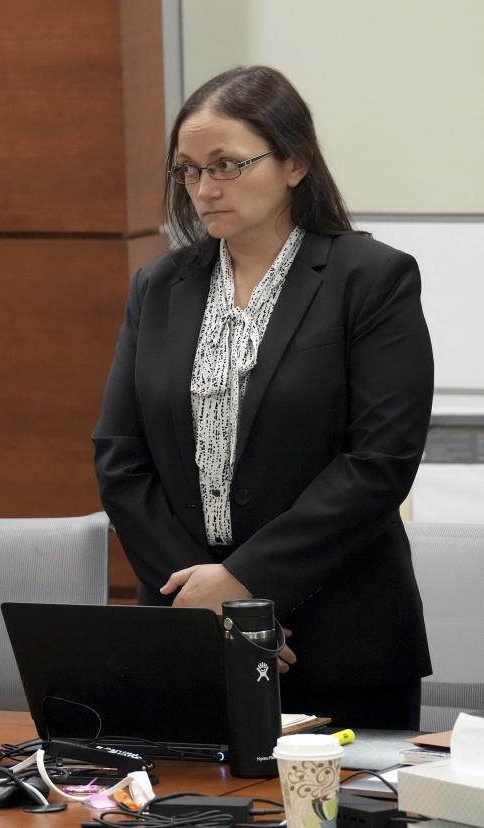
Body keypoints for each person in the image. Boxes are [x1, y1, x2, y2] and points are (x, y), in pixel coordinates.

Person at [93, 65, 433, 729]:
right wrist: (199, 597)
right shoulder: (159, 286)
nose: (205, 188)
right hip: (188, 631)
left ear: (295, 164)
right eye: (188, 170)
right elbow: (120, 456)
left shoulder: (371, 279)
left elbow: (378, 461)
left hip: (337, 639)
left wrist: (245, 584)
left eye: (226, 165)